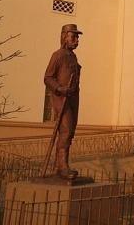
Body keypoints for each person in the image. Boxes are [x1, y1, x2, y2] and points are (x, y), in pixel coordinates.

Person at [44, 24, 82, 179]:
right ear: (65, 37)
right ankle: (62, 167)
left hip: (73, 97)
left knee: (70, 132)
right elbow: (47, 77)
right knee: (65, 130)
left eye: (77, 37)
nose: (77, 40)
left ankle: (61, 164)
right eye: (73, 36)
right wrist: (60, 88)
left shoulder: (72, 56)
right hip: (62, 98)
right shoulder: (58, 55)